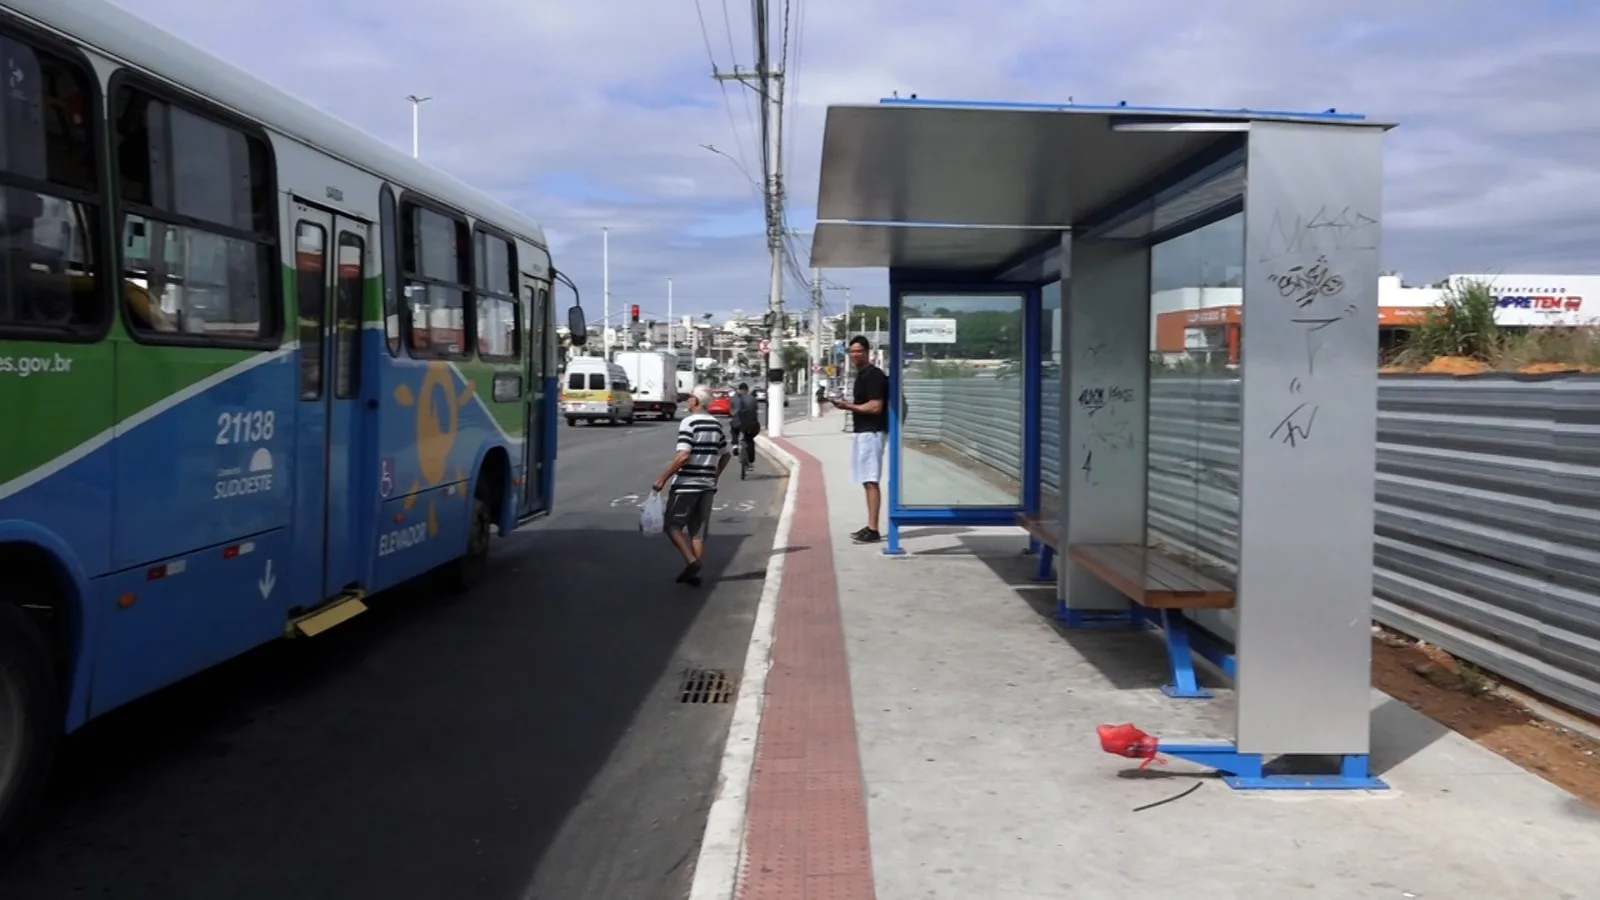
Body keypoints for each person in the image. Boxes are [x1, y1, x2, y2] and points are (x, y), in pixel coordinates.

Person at [653, 385, 730, 585]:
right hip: (707, 486)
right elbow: (726, 453)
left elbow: (684, 455)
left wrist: (663, 478)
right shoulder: (715, 424)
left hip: (687, 484)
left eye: (689, 398)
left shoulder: (689, 422)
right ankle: (693, 572)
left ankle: (691, 562)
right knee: (697, 532)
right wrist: (716, 475)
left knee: (672, 525)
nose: (687, 401)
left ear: (696, 401)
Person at [831, 336, 887, 544]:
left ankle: (873, 529)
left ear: (867, 352)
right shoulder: (862, 375)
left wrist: (849, 407)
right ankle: (870, 525)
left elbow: (875, 406)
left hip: (871, 432)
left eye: (859, 351)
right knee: (866, 479)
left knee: (871, 479)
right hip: (863, 431)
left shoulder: (874, 375)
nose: (855, 355)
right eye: (852, 352)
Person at [728, 382, 760, 471]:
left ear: (739, 389)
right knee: (750, 440)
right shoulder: (753, 399)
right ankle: (750, 462)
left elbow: (730, 411)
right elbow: (755, 412)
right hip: (751, 425)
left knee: (734, 430)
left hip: (737, 423)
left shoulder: (733, 398)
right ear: (747, 390)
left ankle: (735, 445)